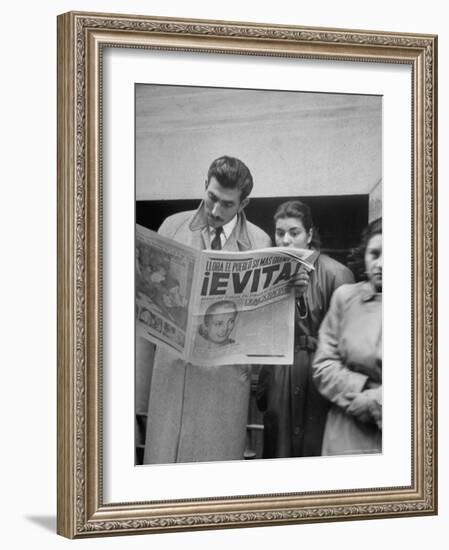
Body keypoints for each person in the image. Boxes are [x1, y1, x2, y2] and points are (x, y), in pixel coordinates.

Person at [142, 155, 271, 464]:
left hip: (223, 383)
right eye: (211, 197)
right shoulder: (172, 227)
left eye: (227, 204)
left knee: (212, 479)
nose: (215, 210)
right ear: (204, 185)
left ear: (244, 203)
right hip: (174, 377)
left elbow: (264, 321)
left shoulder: (260, 241)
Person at [256, 200, 354, 458]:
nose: (285, 240)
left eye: (294, 232)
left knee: (315, 447)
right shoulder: (269, 274)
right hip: (280, 373)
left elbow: (346, 338)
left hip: (319, 374)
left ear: (310, 235)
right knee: (279, 450)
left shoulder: (336, 273)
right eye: (280, 233)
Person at [312, 218, 382, 455]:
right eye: (375, 254)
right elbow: (323, 364)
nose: (381, 264)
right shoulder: (345, 298)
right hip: (346, 431)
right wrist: (361, 389)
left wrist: (378, 401)